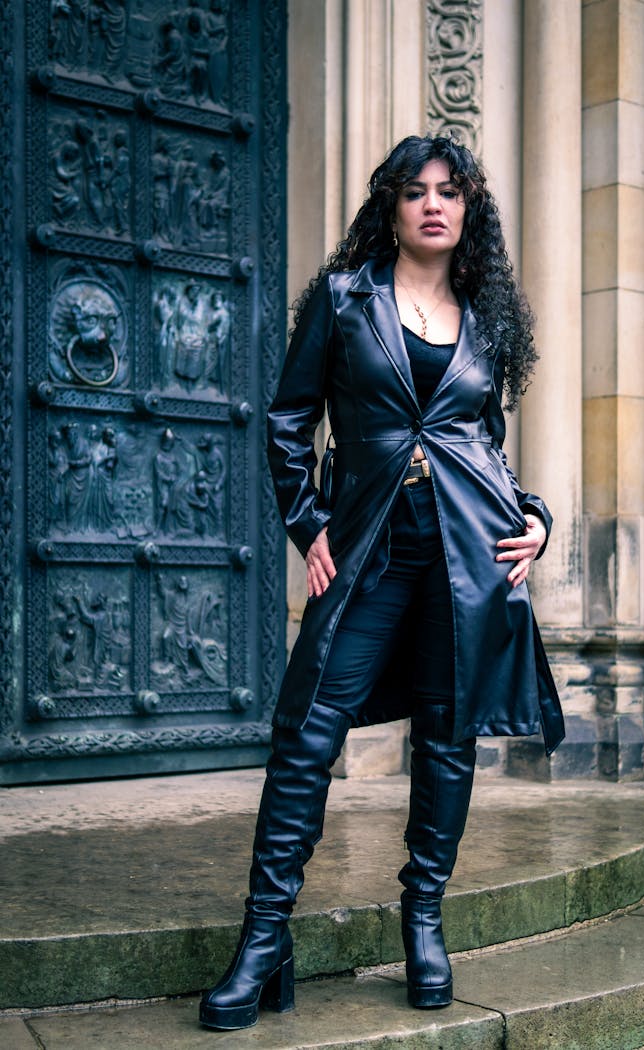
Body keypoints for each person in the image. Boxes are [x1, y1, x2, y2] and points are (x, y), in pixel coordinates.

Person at [199, 134, 565, 1031]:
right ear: (391, 209)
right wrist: (307, 524)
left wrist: (536, 516)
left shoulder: (484, 320)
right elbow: (289, 419)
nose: (434, 204)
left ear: (469, 210)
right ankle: (263, 940)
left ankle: (423, 920)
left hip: (466, 558)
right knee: (305, 734)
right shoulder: (344, 299)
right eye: (415, 191)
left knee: (446, 738)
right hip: (367, 550)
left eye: (450, 191)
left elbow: (482, 445)